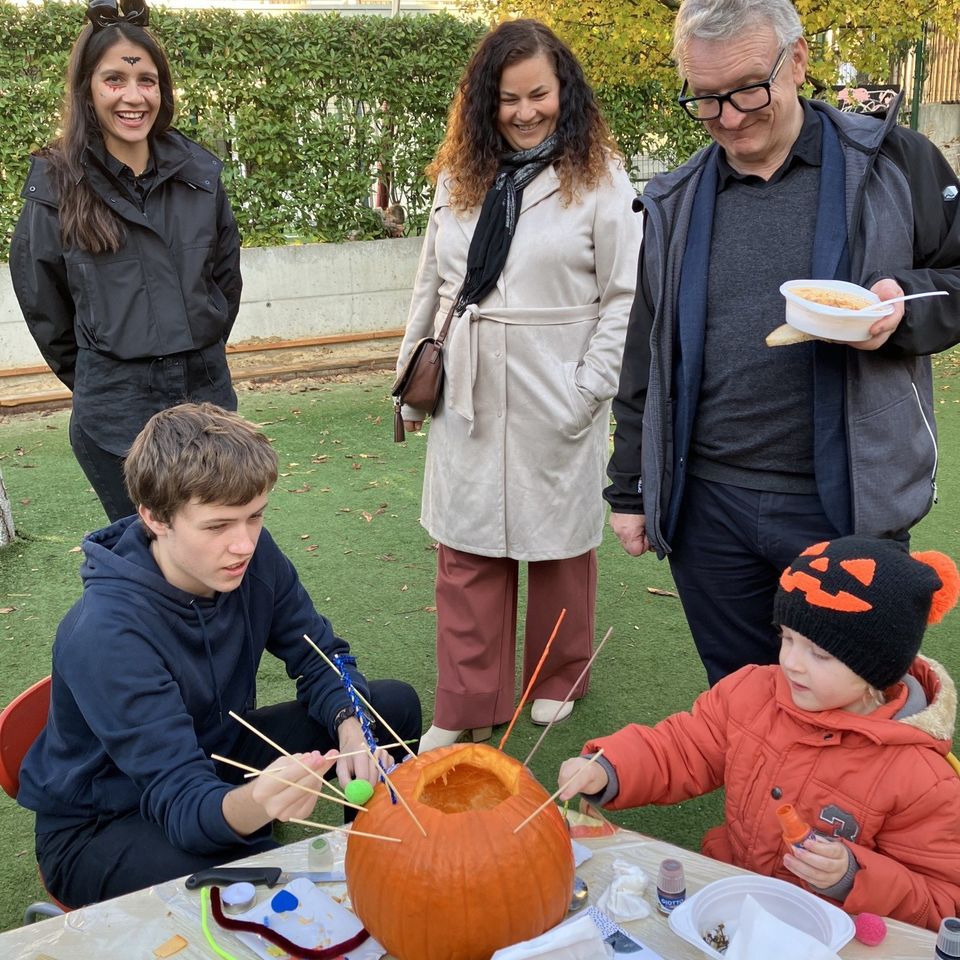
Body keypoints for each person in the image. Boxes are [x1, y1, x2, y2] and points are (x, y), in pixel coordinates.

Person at [605, 0, 960, 685]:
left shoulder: (891, 160)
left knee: (855, 701)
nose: (730, 119)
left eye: (746, 90)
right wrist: (628, 488)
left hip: (849, 502)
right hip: (709, 506)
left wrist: (903, 309)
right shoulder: (674, 200)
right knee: (742, 699)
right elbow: (647, 348)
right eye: (705, 99)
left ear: (796, 61)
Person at [16, 403, 422, 908]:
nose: (243, 544)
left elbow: (321, 656)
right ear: (154, 518)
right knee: (250, 865)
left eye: (255, 516)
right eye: (217, 526)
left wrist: (348, 721)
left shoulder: (252, 556)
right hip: (106, 822)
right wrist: (254, 803)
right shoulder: (105, 634)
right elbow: (181, 801)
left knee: (389, 708)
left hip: (213, 755)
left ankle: (373, 873)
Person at [396, 19, 642, 751]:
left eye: (539, 94)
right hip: (469, 380)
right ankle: (467, 698)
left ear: (563, 92)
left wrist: (587, 387)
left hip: (554, 381)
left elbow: (628, 295)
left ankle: (559, 675)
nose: (525, 111)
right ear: (485, 102)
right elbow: (433, 285)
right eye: (508, 98)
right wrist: (411, 379)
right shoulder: (459, 177)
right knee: (466, 547)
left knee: (561, 545)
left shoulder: (600, 177)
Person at [559, 536, 960, 931]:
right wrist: (609, 768)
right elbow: (683, 747)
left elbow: (944, 901)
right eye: (786, 637)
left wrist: (853, 877)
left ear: (876, 669)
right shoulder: (751, 692)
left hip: (825, 935)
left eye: (819, 654)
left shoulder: (922, 777)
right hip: (729, 892)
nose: (791, 663)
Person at [10, 0, 242, 523]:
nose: (134, 97)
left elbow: (225, 280)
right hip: (114, 414)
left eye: (148, 80)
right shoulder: (55, 184)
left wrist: (196, 343)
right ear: (88, 90)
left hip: (206, 397)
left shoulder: (199, 176)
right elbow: (44, 304)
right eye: (115, 79)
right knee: (145, 562)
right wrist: (99, 372)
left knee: (217, 546)